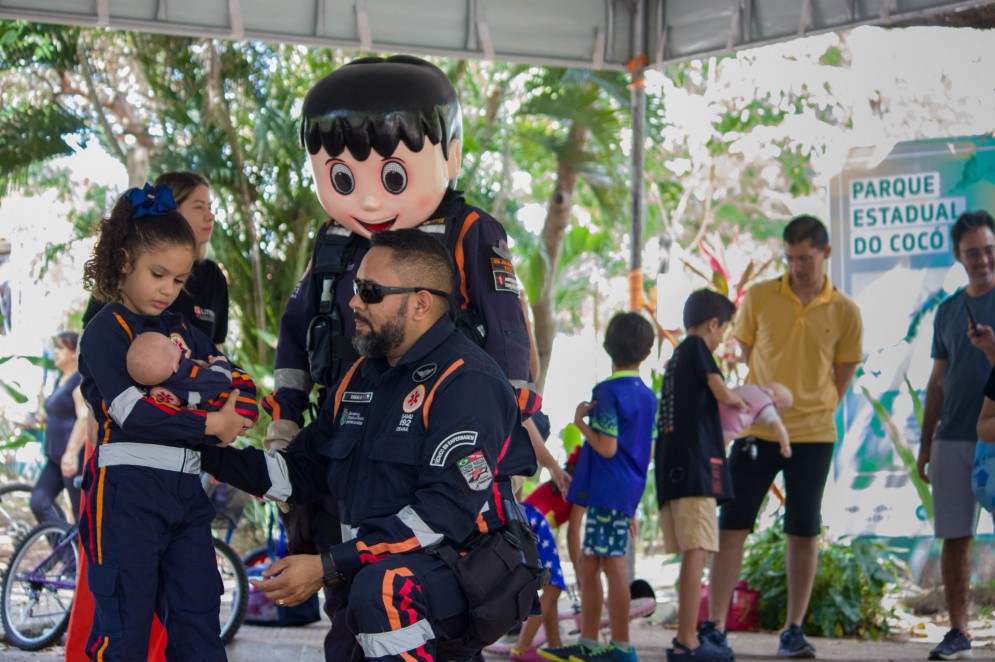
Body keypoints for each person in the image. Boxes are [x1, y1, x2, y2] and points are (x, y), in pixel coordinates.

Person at [262, 55, 542, 658]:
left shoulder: (470, 232)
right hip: (344, 444)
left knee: (414, 587)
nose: (367, 201)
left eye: (391, 177)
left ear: (453, 153)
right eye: (343, 180)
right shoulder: (333, 243)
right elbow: (297, 331)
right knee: (346, 593)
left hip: (427, 446)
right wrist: (285, 419)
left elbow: (508, 339)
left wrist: (512, 438)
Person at [199, 229, 544, 661]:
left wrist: (327, 566)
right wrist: (204, 448)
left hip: (451, 577)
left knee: (381, 589)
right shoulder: (361, 374)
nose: (353, 302)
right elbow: (302, 470)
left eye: (369, 291)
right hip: (363, 570)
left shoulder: (467, 381)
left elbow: (441, 515)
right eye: (355, 288)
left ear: (421, 303)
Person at [76, 183, 252, 661]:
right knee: (125, 630)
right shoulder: (103, 332)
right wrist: (211, 423)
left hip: (186, 495)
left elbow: (235, 378)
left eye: (178, 280)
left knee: (199, 621)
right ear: (123, 261)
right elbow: (133, 414)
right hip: (124, 497)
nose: (167, 291)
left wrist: (224, 402)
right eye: (158, 275)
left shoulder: (180, 329)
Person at [704, 215, 863, 659]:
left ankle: (794, 630)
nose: (798, 267)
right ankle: (714, 626)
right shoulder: (758, 297)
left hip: (814, 433)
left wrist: (816, 404)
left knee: (803, 529)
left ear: (825, 254)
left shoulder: (846, 311)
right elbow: (751, 351)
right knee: (731, 524)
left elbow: (843, 371)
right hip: (757, 429)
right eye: (791, 259)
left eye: (806, 259)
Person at [540, 312, 657, 662]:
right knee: (591, 564)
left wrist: (580, 421)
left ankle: (621, 647)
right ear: (647, 351)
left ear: (609, 347)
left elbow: (607, 447)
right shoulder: (647, 396)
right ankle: (590, 643)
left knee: (612, 567)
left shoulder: (607, 392)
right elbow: (642, 449)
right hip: (625, 491)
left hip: (608, 490)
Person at [918, 210, 995, 660]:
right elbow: (936, 382)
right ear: (958, 256)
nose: (983, 259)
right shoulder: (947, 311)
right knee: (954, 537)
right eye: (973, 252)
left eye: (988, 249)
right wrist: (927, 443)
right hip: (952, 438)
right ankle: (959, 632)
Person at [655, 289, 747, 662]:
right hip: (696, 469)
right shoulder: (697, 349)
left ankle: (686, 636)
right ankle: (687, 641)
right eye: (723, 330)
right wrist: (746, 401)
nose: (722, 337)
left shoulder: (676, 357)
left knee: (691, 554)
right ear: (713, 323)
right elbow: (722, 393)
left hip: (672, 468)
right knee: (698, 552)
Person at [511, 444, 583, 661]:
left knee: (552, 586)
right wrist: (581, 573)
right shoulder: (580, 489)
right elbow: (573, 535)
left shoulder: (557, 484)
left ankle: (555, 647)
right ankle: (522, 648)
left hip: (523, 520)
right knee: (554, 585)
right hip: (536, 524)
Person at [126, 331, 259, 421]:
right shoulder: (190, 376)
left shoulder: (155, 391)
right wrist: (219, 363)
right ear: (175, 367)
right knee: (241, 383)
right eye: (172, 346)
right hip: (232, 408)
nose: (176, 346)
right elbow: (220, 380)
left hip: (201, 421)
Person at [29, 331, 84, 525]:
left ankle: (78, 554)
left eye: (61, 348)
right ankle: (67, 553)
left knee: (80, 517)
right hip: (54, 457)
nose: (56, 352)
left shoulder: (79, 380)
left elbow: (83, 417)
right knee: (39, 502)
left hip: (71, 458)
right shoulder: (59, 380)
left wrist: (71, 453)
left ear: (73, 353)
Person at [719, 382, 793, 457]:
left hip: (715, 412)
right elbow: (779, 428)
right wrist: (785, 446)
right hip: (728, 428)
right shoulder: (767, 406)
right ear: (779, 406)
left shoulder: (750, 387)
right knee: (720, 443)